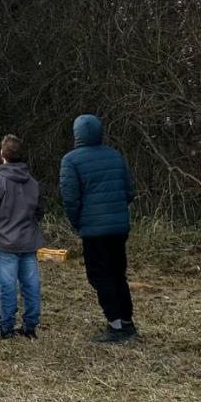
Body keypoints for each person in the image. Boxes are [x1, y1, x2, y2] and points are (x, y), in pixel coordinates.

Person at [60, 114, 138, 344]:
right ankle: (127, 321)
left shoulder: (71, 160)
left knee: (100, 276)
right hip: (119, 228)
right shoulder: (114, 155)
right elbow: (129, 191)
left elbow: (70, 198)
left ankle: (115, 326)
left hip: (94, 230)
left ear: (77, 135)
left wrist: (78, 223)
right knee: (117, 274)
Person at [0, 134, 45, 339]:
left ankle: (6, 327)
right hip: (27, 240)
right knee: (31, 285)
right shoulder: (32, 183)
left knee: (6, 287)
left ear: (2, 155)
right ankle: (30, 327)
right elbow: (39, 211)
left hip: (4, 242)